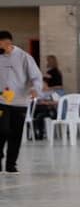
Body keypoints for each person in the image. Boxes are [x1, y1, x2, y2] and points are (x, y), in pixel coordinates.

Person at [0, 32, 42, 173]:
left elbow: (36, 76)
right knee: (2, 129)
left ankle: (11, 165)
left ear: (8, 43)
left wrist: (36, 89)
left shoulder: (24, 57)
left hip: (20, 102)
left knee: (16, 134)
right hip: (2, 100)